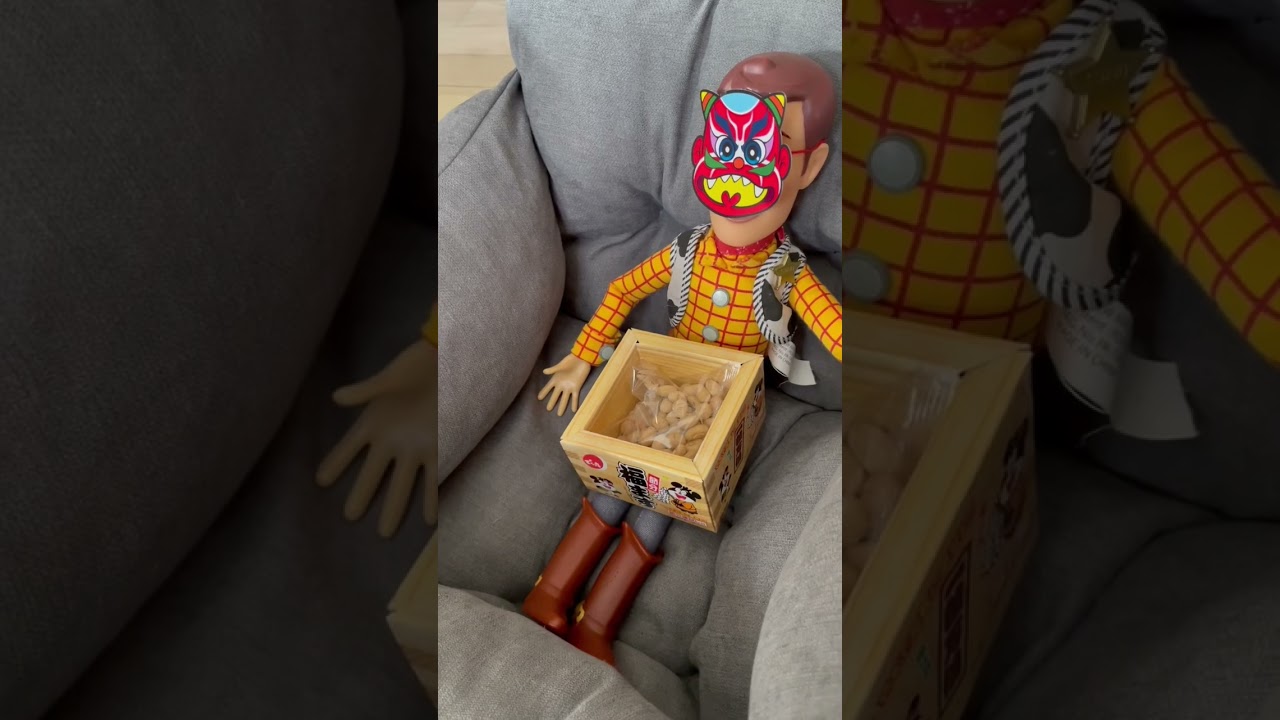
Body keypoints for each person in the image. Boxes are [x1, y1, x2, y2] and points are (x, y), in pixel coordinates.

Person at [525, 52, 843, 666]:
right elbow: (623, 289)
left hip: (724, 410)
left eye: (769, 152)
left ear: (807, 168)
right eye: (725, 145)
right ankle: (551, 592)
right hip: (663, 389)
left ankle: (598, 623)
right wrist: (583, 357)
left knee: (656, 514)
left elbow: (832, 325)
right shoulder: (689, 250)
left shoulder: (784, 271)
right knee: (613, 491)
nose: (739, 181)